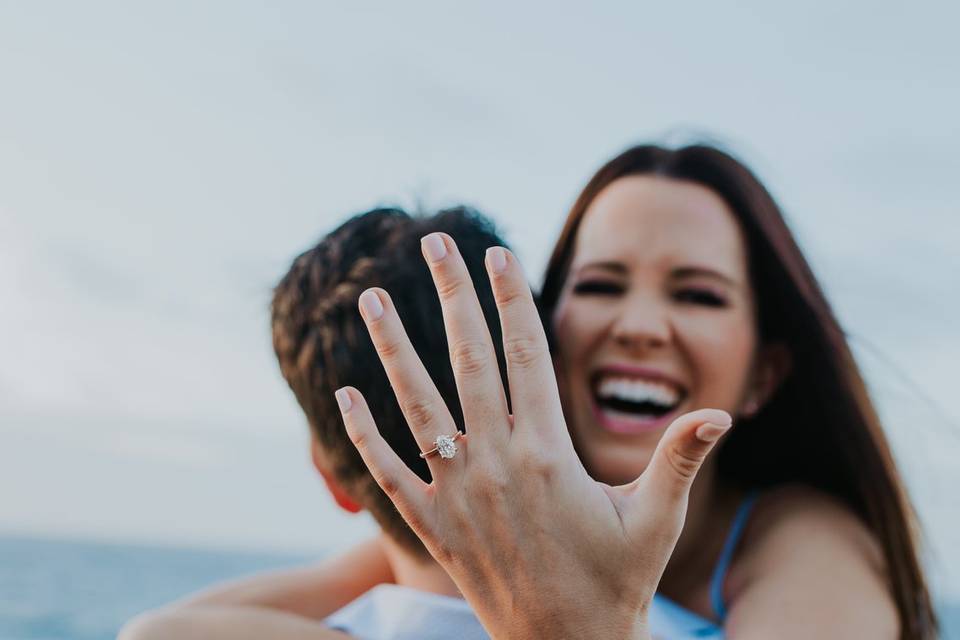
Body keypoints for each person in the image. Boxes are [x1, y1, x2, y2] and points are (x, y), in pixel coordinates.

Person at [123, 143, 938, 639]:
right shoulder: (494, 518)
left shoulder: (801, 539)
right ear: (529, 337)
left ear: (765, 374)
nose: (639, 325)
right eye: (601, 284)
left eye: (698, 294)